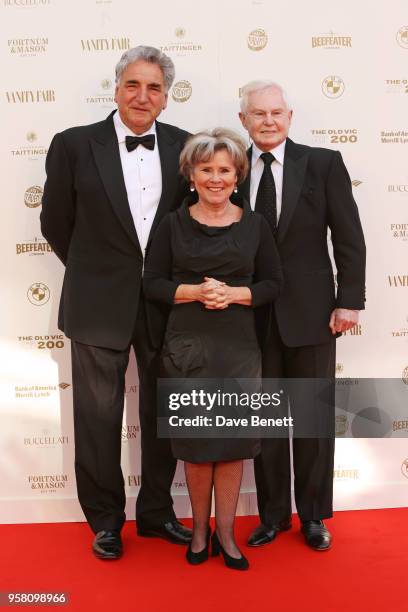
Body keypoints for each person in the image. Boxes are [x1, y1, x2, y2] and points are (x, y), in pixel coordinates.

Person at [40, 45, 192, 560]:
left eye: (153, 88)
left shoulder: (186, 146)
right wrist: (96, 271)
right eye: (133, 84)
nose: (141, 96)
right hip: (96, 302)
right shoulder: (73, 145)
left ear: (166, 99)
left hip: (166, 305)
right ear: (116, 88)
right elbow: (55, 223)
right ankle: (105, 520)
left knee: (164, 413)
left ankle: (155, 514)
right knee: (97, 416)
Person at [143, 128, 283, 569]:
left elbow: (273, 284)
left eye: (224, 170)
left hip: (238, 346)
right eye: (207, 169)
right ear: (192, 175)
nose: (216, 178)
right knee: (198, 444)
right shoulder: (172, 224)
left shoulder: (256, 224)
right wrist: (196, 292)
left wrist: (234, 295)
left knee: (234, 443)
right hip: (187, 345)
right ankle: (199, 532)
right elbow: (153, 284)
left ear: (237, 176)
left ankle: (227, 533)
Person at [238, 81, 366, 550]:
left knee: (311, 421)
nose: (268, 121)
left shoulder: (323, 163)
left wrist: (349, 299)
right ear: (244, 121)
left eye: (276, 112)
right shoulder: (230, 167)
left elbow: (348, 236)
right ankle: (272, 516)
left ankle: (313, 516)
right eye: (258, 114)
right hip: (251, 317)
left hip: (314, 315)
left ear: (290, 116)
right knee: (266, 424)